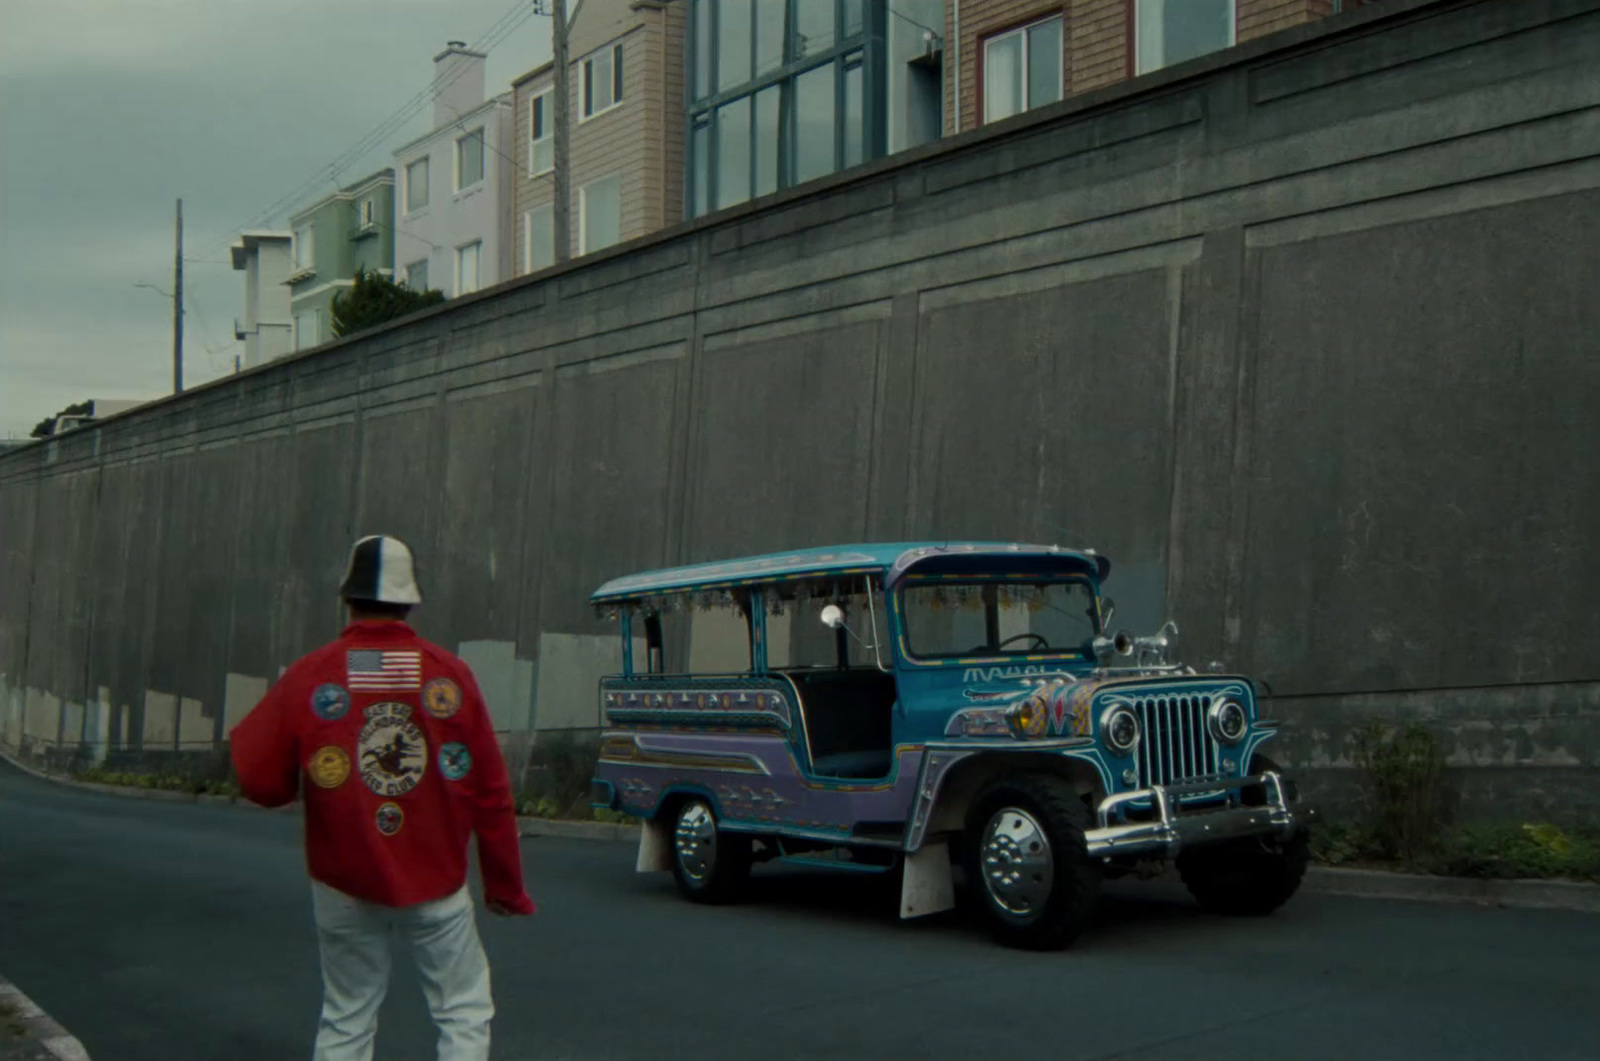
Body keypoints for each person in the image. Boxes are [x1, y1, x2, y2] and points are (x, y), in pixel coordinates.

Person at [230, 534, 534, 1061]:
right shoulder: (449, 675)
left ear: (347, 599)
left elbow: (261, 783)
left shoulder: (310, 675)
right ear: (410, 601)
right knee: (463, 1007)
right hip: (436, 879)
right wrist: (504, 886)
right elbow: (490, 792)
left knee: (348, 1013)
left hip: (342, 879)